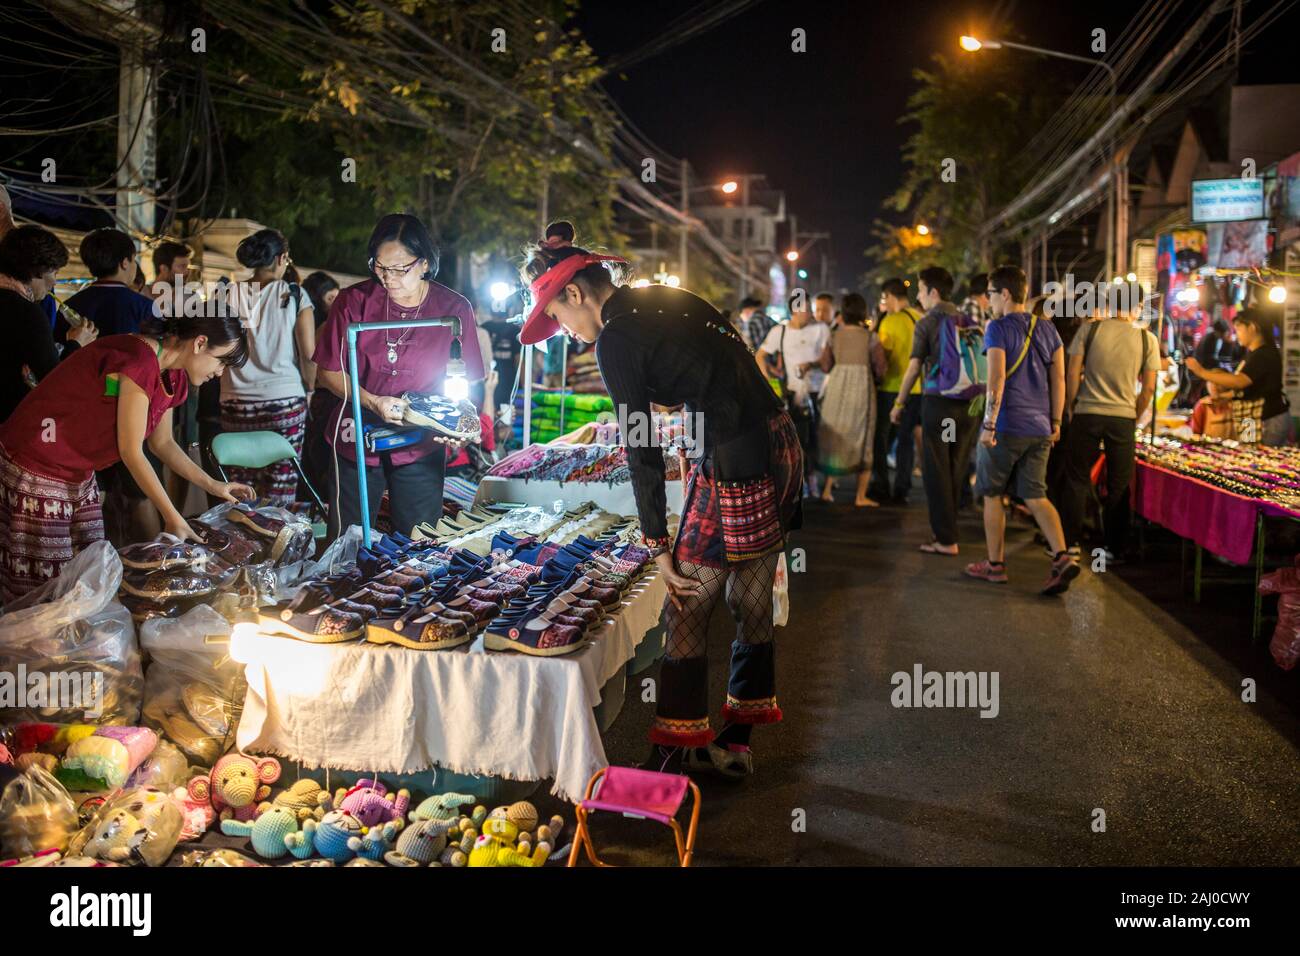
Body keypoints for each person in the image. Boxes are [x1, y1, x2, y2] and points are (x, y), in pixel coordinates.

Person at [520, 219, 801, 779]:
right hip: (776, 442)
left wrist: (657, 543)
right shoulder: (661, 297)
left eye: (556, 316)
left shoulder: (616, 338)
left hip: (730, 458)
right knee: (749, 598)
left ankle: (677, 746)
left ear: (574, 293)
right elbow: (719, 368)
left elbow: (639, 447)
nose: (566, 331)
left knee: (687, 597)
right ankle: (738, 737)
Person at [0, 313, 253, 601]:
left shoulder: (175, 377)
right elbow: (131, 452)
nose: (221, 373)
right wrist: (172, 517)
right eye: (222, 361)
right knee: (44, 583)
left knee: (89, 567)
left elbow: (163, 443)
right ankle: (27, 643)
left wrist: (214, 485)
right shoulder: (139, 360)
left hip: (75, 468)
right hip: (38, 460)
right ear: (200, 343)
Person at [313, 213, 484, 539]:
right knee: (348, 543)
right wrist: (372, 402)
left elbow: (467, 383)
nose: (388, 277)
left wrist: (456, 423)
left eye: (399, 268)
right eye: (379, 266)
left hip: (421, 442)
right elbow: (328, 373)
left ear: (424, 264)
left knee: (419, 544)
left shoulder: (453, 309)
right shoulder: (354, 302)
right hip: (357, 438)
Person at [966, 265, 1078, 595]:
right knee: (1035, 494)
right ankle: (1061, 555)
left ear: (1004, 294)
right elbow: (1058, 379)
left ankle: (995, 565)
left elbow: (997, 379)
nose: (988, 301)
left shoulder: (997, 328)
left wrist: (989, 424)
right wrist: (1056, 422)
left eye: (989, 294)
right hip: (1041, 428)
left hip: (1006, 426)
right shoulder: (1049, 331)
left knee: (992, 493)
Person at [1059, 292, 1160, 562]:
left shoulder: (1089, 331)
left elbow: (1072, 372)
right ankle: (1113, 547)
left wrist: (1072, 406)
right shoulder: (1146, 339)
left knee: (1077, 479)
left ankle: (1068, 544)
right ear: (1137, 307)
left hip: (1087, 413)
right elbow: (1148, 388)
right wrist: (1134, 416)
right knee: (1118, 484)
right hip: (1123, 418)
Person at [218, 228, 315, 506]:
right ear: (282, 258)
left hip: (235, 402)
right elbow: (308, 355)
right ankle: (280, 544)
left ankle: (239, 546)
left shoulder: (228, 295)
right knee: (280, 493)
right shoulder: (295, 294)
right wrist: (310, 389)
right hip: (284, 403)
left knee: (238, 491)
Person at [892, 265, 980, 554]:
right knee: (956, 466)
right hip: (968, 406)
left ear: (933, 291)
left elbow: (914, 366)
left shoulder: (927, 322)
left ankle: (945, 539)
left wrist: (900, 403)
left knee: (937, 468)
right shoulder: (968, 320)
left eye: (920, 290)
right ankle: (949, 531)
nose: (919, 296)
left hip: (940, 404)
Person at [0, 225, 98, 421]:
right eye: (55, 272)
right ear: (39, 270)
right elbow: (53, 381)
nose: (54, 282)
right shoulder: (27, 313)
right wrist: (76, 344)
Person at [758, 292, 829, 495]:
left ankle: (812, 477)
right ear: (794, 311)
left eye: (809, 309)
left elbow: (827, 363)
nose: (808, 313)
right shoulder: (779, 331)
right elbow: (760, 356)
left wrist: (812, 364)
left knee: (815, 438)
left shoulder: (820, 329)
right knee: (796, 439)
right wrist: (770, 383)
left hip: (818, 391)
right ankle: (800, 481)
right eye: (804, 309)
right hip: (791, 394)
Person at [1185, 307, 1289, 445]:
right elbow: (1251, 388)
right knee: (1248, 454)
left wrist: (1202, 372)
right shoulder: (1253, 354)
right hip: (1249, 419)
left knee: (1258, 459)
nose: (1236, 334)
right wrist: (1225, 397)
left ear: (1252, 327)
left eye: (1239, 329)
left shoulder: (1263, 354)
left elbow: (1240, 381)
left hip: (1266, 419)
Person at [816, 292, 880, 505]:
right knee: (863, 436)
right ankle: (860, 496)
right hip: (862, 386)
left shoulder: (833, 335)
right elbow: (880, 367)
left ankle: (826, 490)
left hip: (836, 386)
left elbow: (825, 365)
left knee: (835, 434)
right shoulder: (870, 336)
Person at [869, 278, 922, 503]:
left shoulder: (889, 321)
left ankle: (880, 485)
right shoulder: (919, 318)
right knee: (905, 440)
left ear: (890, 296)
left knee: (880, 439)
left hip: (890, 388)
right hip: (917, 390)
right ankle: (903, 489)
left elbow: (882, 357)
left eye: (885, 298)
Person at [64, 228, 155, 336]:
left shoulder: (69, 307)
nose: (135, 265)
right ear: (125, 263)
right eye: (134, 259)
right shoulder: (145, 307)